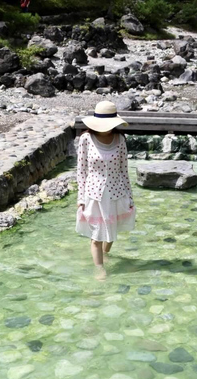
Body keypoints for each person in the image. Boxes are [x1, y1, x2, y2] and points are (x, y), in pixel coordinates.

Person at [76, 101, 135, 280]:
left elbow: (124, 170)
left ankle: (105, 255)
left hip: (116, 194)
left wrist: (130, 197)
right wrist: (81, 199)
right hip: (94, 195)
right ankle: (100, 269)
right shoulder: (86, 139)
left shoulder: (120, 140)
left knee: (111, 234)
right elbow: (81, 171)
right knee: (96, 236)